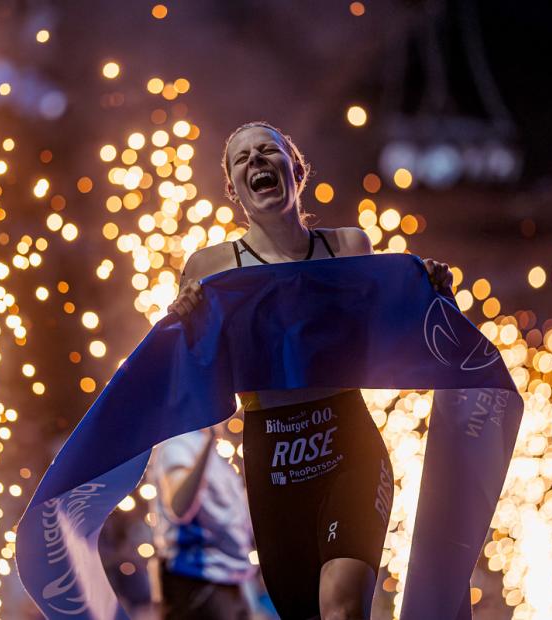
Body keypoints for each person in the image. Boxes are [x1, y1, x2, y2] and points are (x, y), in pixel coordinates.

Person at [167, 120, 453, 620]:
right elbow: (193, 369)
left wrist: (426, 293)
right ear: (233, 189)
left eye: (268, 151)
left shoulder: (348, 248)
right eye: (242, 158)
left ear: (295, 170)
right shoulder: (210, 268)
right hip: (272, 462)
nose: (256, 160)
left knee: (339, 609)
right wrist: (185, 320)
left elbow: (392, 335)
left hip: (347, 449)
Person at [151, 421, 257, 620]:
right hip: (197, 580)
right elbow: (178, 507)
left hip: (230, 579)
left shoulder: (215, 449)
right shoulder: (178, 442)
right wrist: (209, 441)